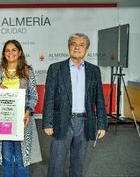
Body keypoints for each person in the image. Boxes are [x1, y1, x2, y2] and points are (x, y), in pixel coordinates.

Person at [42, 33, 108, 177]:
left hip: (84, 123)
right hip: (62, 122)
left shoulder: (94, 70)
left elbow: (100, 99)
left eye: (81, 44)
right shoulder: (55, 68)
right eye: (73, 44)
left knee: (78, 165)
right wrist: (47, 123)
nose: (77, 47)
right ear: (68, 47)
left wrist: (102, 124)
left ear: (87, 49)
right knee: (56, 165)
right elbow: (49, 98)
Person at [0, 40, 39, 177]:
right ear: (4, 54)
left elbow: (34, 95)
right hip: (3, 120)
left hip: (23, 120)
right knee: (6, 157)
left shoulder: (27, 71)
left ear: (20, 52)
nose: (10, 53)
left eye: (14, 50)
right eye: (7, 50)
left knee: (22, 157)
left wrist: (28, 111)